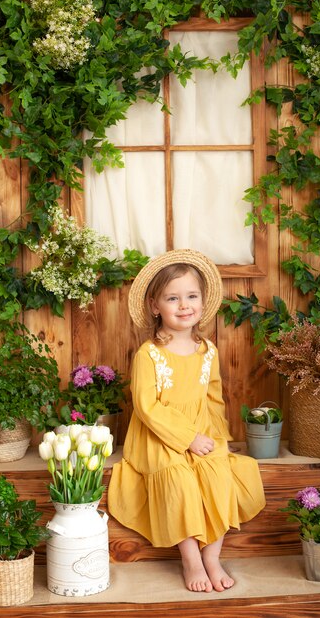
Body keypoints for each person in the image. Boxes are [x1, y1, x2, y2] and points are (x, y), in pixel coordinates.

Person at [108, 249, 265, 593]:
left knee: (218, 473)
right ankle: (191, 558)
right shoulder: (149, 354)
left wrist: (216, 438)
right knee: (178, 479)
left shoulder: (207, 349)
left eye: (191, 296)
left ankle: (213, 557)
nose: (184, 305)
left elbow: (213, 397)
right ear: (155, 306)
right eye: (173, 298)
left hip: (200, 428)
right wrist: (187, 438)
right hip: (157, 436)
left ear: (202, 301)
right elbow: (147, 407)